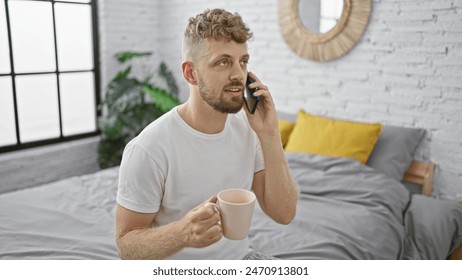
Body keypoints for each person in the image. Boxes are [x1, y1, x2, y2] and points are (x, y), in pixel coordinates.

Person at [115, 8, 297, 260]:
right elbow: (126, 246)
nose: (238, 74)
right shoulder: (149, 148)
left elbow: (284, 213)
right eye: (223, 62)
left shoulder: (250, 131)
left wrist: (269, 134)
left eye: (242, 62)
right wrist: (182, 233)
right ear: (191, 73)